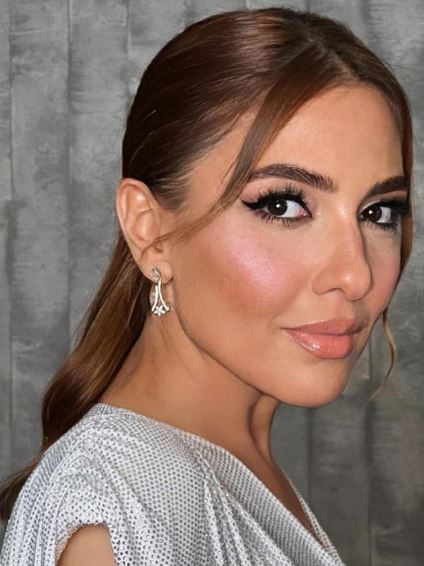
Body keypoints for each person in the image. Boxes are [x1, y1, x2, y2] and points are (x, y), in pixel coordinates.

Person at [0, 6, 413, 566]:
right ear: (149, 229)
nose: (356, 274)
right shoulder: (126, 509)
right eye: (283, 205)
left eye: (378, 212)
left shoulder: (209, 465)